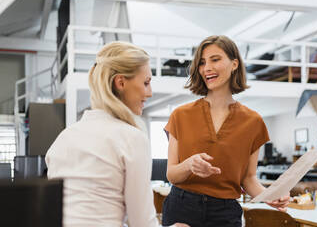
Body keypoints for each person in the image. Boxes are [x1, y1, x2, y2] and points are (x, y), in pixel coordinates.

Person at [46, 42, 188, 227]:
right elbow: (142, 223)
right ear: (120, 82)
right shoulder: (132, 138)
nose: (150, 92)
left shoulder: (63, 138)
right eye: (145, 83)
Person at [162, 35, 290, 227]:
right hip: (182, 208)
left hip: (225, 214)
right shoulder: (180, 115)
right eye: (202, 63)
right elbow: (171, 174)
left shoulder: (253, 122)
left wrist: (269, 196)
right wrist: (189, 165)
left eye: (215, 60)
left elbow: (248, 179)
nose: (207, 68)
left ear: (234, 64)